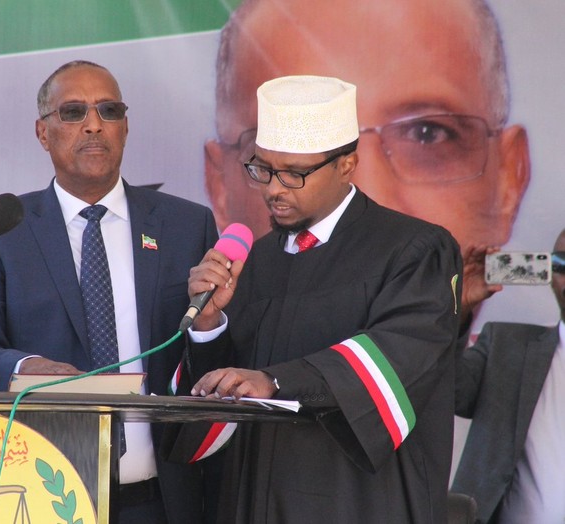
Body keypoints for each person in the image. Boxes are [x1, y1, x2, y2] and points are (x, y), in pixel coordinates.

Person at [0, 61, 220, 524]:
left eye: (109, 110)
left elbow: (212, 358)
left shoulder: (186, 225)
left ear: (126, 127)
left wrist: (212, 327)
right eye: (73, 112)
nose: (94, 124)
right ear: (42, 132)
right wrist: (28, 368)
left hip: (162, 499)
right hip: (40, 497)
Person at [182, 75, 462, 523]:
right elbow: (224, 392)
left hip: (358, 502)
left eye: (294, 174)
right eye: (263, 169)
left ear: (347, 164)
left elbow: (399, 355)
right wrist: (208, 324)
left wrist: (274, 382)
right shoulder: (256, 260)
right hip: (253, 499)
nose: (274, 188)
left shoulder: (414, 249)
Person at [204, 0, 529, 324]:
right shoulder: (254, 269)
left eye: (426, 134)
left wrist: (447, 313)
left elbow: (395, 363)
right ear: (219, 186)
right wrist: (207, 324)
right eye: (277, 164)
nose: (366, 188)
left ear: (508, 180)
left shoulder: (425, 251)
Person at [452, 228, 565, 523]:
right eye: (561, 262)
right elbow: (448, 393)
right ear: (547, 272)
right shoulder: (506, 344)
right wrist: (458, 309)